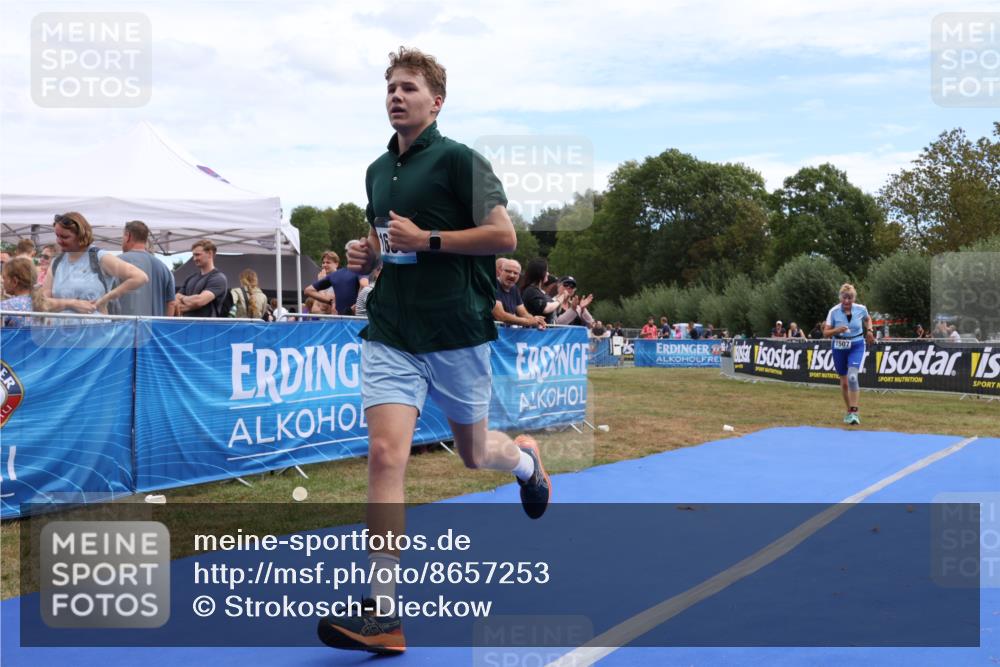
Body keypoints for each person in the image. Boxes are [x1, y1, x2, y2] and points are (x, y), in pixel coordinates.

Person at [317, 47, 550, 655]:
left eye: (410, 88)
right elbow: (380, 244)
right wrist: (367, 256)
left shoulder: (459, 160)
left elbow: (504, 235)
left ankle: (525, 461)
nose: (397, 95)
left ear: (436, 101)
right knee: (385, 453)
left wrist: (430, 239)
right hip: (392, 328)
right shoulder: (374, 170)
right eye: (391, 87)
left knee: (475, 454)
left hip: (456, 331)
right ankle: (383, 611)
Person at [44, 212, 148, 318]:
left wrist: (105, 299)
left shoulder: (98, 257)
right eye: (57, 236)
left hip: (94, 330)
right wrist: (71, 303)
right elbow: (42, 303)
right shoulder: (56, 262)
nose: (59, 241)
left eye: (65, 237)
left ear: (81, 236)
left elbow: (140, 277)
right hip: (59, 331)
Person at [823, 283, 875, 425]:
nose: (847, 301)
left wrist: (869, 331)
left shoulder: (861, 309)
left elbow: (868, 318)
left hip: (856, 345)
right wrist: (837, 330)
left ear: (854, 298)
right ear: (840, 297)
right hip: (839, 346)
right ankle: (849, 411)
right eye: (844, 297)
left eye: (850, 298)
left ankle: (854, 411)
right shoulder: (833, 312)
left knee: (852, 376)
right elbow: (826, 333)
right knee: (844, 382)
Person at [117, 220, 176, 317]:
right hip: (154, 329)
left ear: (128, 236)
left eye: (122, 237)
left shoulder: (116, 262)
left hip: (124, 329)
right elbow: (171, 303)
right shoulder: (164, 268)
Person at [304, 249, 368, 316]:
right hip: (335, 320)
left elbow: (323, 306)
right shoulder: (325, 280)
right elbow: (315, 309)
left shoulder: (341, 280)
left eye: (328, 262)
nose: (324, 265)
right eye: (323, 262)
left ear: (336, 264)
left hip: (347, 317)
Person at [176, 240, 228, 317]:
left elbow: (199, 301)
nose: (194, 259)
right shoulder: (190, 278)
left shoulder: (218, 278)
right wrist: (192, 304)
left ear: (210, 254)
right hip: (187, 326)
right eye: (193, 255)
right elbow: (176, 299)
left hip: (207, 327)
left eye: (197, 255)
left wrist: (183, 298)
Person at [494, 258, 546, 329]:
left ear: (519, 276)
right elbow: (501, 316)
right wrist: (530, 321)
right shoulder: (492, 285)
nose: (512, 275)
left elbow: (523, 313)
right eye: (508, 271)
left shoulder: (514, 288)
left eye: (515, 273)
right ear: (500, 271)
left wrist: (536, 322)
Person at [1, 257, 46, 327]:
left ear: (14, 281)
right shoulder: (42, 303)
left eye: (4, 278)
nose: (2, 281)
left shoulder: (6, 306)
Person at [519, 258, 565, 324]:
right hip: (535, 332)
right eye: (546, 271)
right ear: (539, 272)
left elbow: (552, 306)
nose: (548, 273)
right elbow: (545, 308)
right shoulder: (531, 290)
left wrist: (560, 296)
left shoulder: (539, 291)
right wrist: (559, 300)